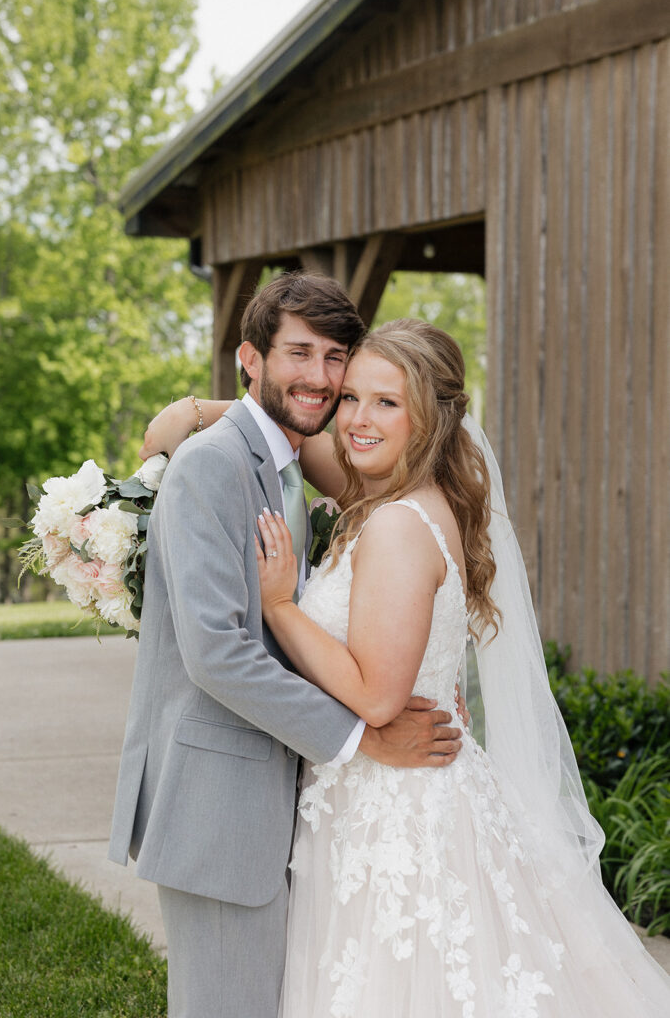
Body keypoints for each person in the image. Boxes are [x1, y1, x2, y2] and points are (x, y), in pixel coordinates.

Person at [149, 317, 670, 1016]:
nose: (358, 420)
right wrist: (209, 411)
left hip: (396, 811)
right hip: (382, 795)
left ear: (430, 418)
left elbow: (376, 694)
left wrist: (279, 608)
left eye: (386, 403)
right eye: (351, 397)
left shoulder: (395, 525)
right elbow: (299, 444)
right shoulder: (396, 494)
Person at [108, 274, 468, 1018]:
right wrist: (361, 738)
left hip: (276, 802)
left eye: (336, 358)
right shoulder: (216, 466)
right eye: (298, 353)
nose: (320, 377)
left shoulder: (287, 467)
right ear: (251, 357)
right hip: (218, 804)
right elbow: (217, 653)